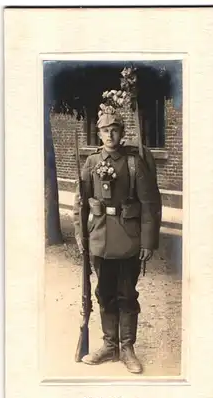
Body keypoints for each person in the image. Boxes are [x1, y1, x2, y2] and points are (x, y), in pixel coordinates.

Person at [74, 107, 161, 374]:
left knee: (127, 294)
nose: (109, 135)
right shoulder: (91, 162)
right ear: (98, 133)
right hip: (99, 238)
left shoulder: (135, 163)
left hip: (129, 240)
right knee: (104, 293)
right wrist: (80, 235)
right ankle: (109, 345)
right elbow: (80, 204)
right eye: (104, 130)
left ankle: (127, 348)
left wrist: (148, 242)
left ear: (122, 133)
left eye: (114, 130)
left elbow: (150, 204)